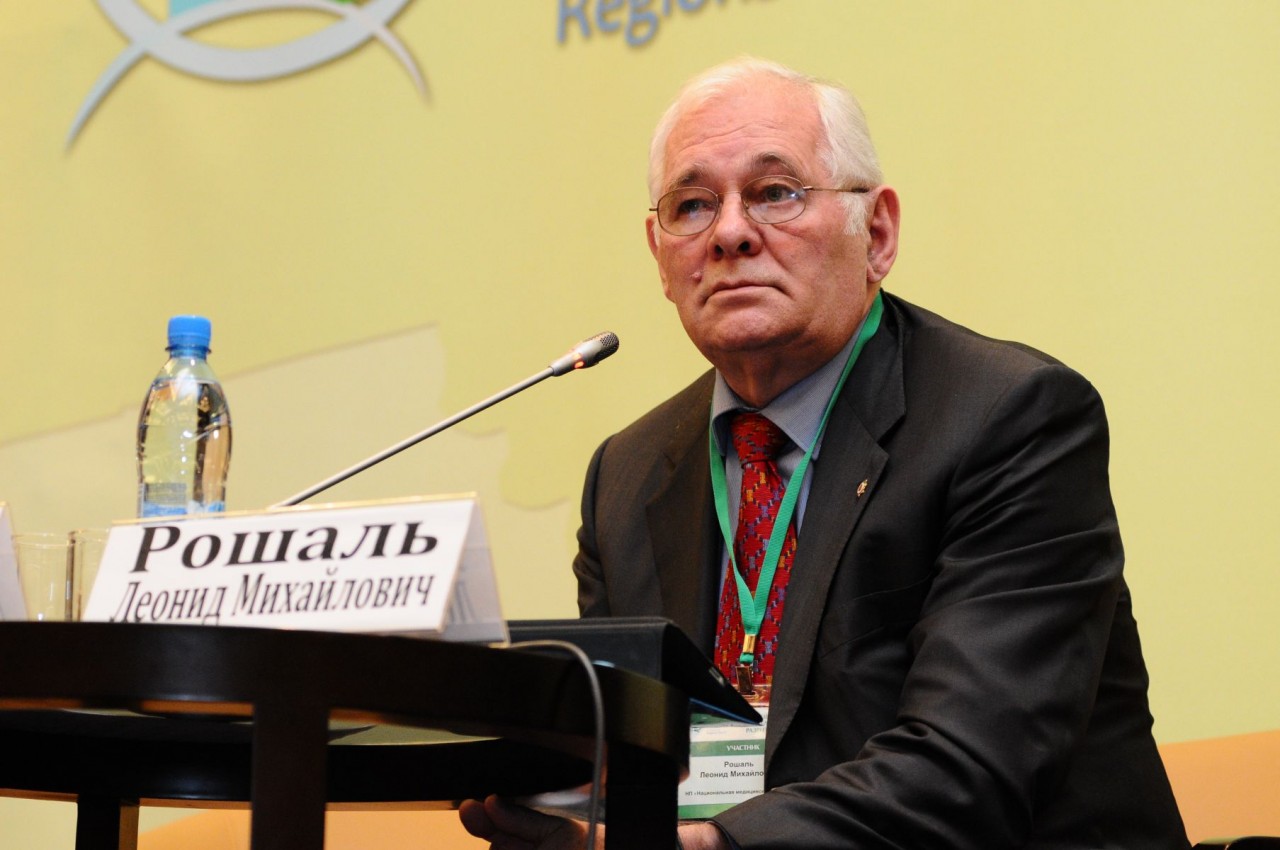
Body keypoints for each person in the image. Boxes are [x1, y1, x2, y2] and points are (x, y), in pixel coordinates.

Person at [460, 57, 1189, 849]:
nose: (730, 233)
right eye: (692, 205)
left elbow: (970, 767)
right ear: (660, 256)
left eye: (775, 192)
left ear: (877, 233)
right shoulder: (625, 477)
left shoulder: (1009, 419)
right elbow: (625, 756)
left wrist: (709, 846)